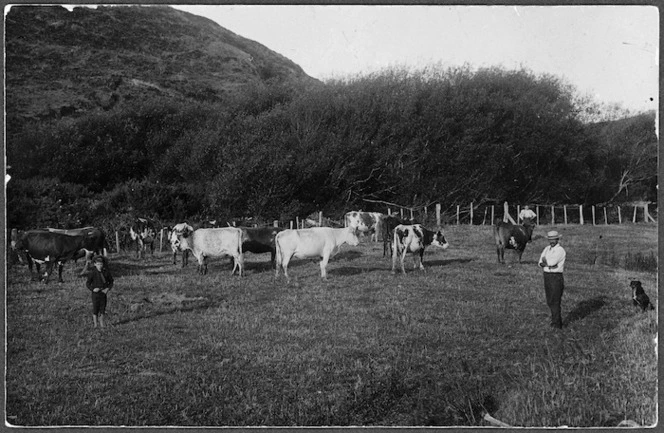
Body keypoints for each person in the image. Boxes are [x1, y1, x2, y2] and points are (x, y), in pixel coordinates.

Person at [538, 231, 566, 329]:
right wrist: (546, 263)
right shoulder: (546, 249)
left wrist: (547, 263)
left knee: (555, 301)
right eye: (550, 239)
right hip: (547, 276)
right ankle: (554, 321)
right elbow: (540, 262)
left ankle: (557, 324)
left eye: (553, 239)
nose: (551, 241)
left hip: (556, 277)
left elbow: (552, 262)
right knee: (549, 300)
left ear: (557, 239)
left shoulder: (560, 250)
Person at [86, 255, 114, 328]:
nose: (99, 266)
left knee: (103, 308)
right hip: (95, 293)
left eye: (101, 264)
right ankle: (95, 324)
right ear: (95, 264)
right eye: (98, 264)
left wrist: (107, 289)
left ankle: (102, 324)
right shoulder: (92, 273)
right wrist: (93, 289)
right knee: (95, 308)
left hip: (103, 293)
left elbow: (111, 281)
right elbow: (88, 283)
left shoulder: (106, 272)